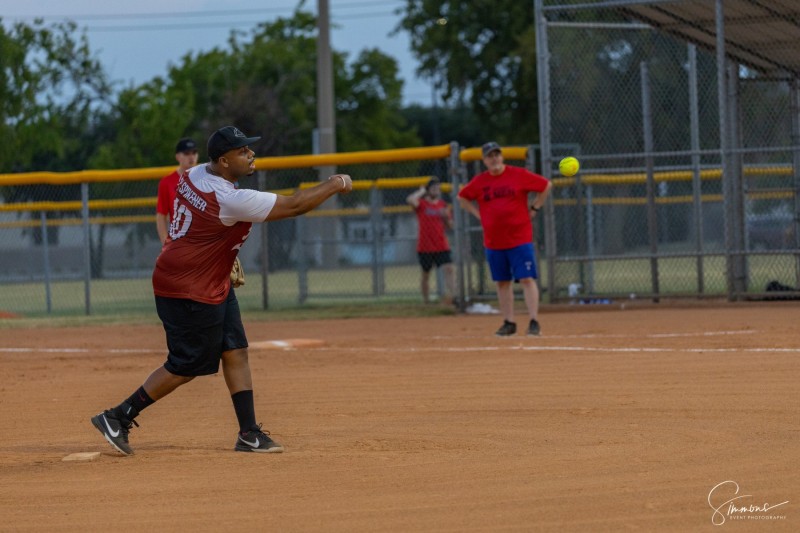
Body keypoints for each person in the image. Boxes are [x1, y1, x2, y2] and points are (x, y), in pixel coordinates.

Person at [91, 126, 353, 455]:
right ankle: (118, 416)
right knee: (187, 364)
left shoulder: (195, 173)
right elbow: (296, 205)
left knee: (235, 349)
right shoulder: (230, 197)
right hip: (185, 287)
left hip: (208, 278)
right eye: (243, 151)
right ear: (225, 161)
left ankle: (248, 432)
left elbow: (198, 225)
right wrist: (336, 182)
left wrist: (218, 255)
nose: (251, 154)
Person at [457, 141, 552, 336]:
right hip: (494, 241)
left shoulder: (518, 175)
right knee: (502, 282)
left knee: (526, 278)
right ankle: (509, 322)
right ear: (484, 160)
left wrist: (535, 207)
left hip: (520, 238)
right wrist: (477, 214)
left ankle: (534, 321)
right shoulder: (480, 181)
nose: (494, 159)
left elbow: (546, 185)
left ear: (502, 157)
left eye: (497, 155)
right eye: (490, 156)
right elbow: (462, 197)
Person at [406, 178, 456, 304]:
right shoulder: (422, 204)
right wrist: (421, 191)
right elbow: (410, 200)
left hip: (441, 245)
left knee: (449, 270)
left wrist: (445, 218)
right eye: (434, 188)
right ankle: (426, 300)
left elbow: (450, 226)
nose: (437, 190)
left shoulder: (443, 205)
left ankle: (455, 298)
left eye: (438, 188)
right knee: (426, 275)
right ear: (428, 190)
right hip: (425, 246)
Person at [156, 138, 199, 245]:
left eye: (194, 153)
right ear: (177, 157)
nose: (191, 157)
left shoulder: (205, 179)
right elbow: (161, 216)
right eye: (186, 153)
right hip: (180, 239)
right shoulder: (167, 182)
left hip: (201, 239)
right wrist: (165, 243)